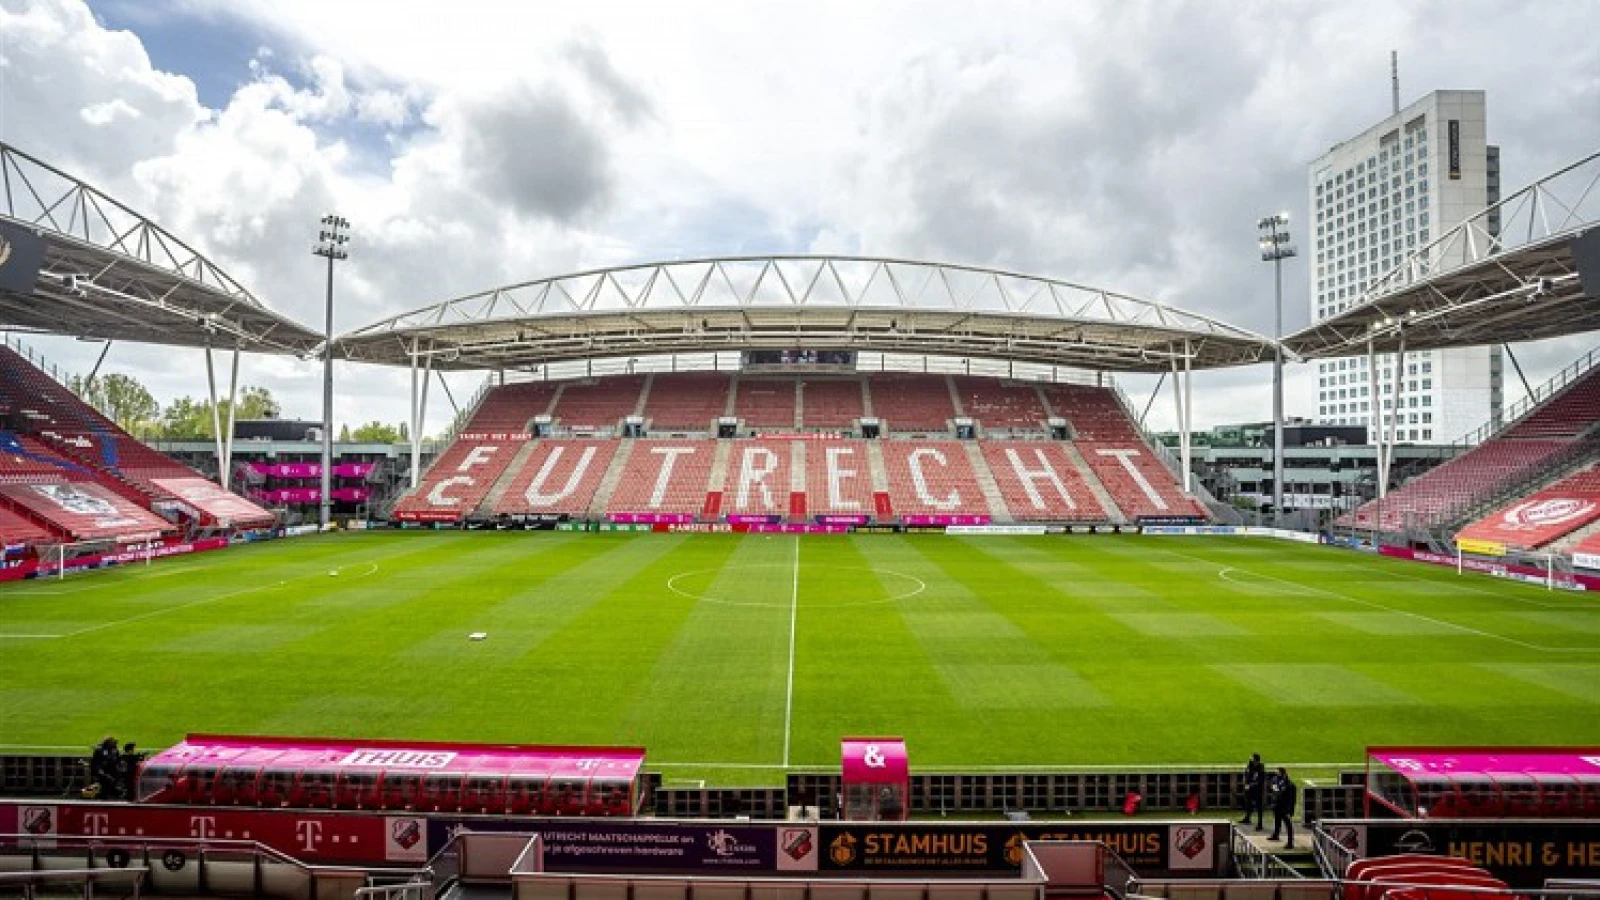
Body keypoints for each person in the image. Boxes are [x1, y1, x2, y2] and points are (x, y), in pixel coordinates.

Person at [1269, 767, 1298, 849]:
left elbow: (1291, 799)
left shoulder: (1289, 784)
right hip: (1277, 805)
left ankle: (1290, 842)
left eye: (1277, 772)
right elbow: (1273, 788)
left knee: (1288, 824)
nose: (1276, 773)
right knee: (1277, 821)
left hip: (1284, 807)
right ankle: (1276, 835)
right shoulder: (1276, 779)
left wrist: (1290, 811)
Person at [1239, 753, 1266, 830]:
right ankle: (1247, 818)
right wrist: (1245, 782)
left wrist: (1250, 785)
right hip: (1248, 789)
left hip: (1257, 790)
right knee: (1248, 803)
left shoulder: (1260, 768)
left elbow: (1260, 780)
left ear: (1256, 760)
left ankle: (1260, 824)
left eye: (1252, 758)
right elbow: (1246, 773)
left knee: (1259, 807)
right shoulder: (1249, 765)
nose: (1250, 759)